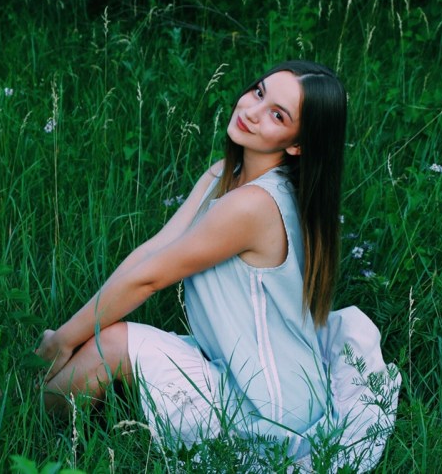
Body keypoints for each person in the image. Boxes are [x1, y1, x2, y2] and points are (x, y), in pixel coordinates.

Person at [35, 60, 400, 469]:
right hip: (242, 371)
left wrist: (64, 339)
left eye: (277, 115)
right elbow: (152, 253)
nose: (251, 111)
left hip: (273, 411)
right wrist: (72, 329)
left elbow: (150, 279)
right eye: (258, 93)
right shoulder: (225, 175)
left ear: (297, 144)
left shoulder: (253, 206)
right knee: (104, 338)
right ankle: (40, 400)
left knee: (111, 343)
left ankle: (31, 428)